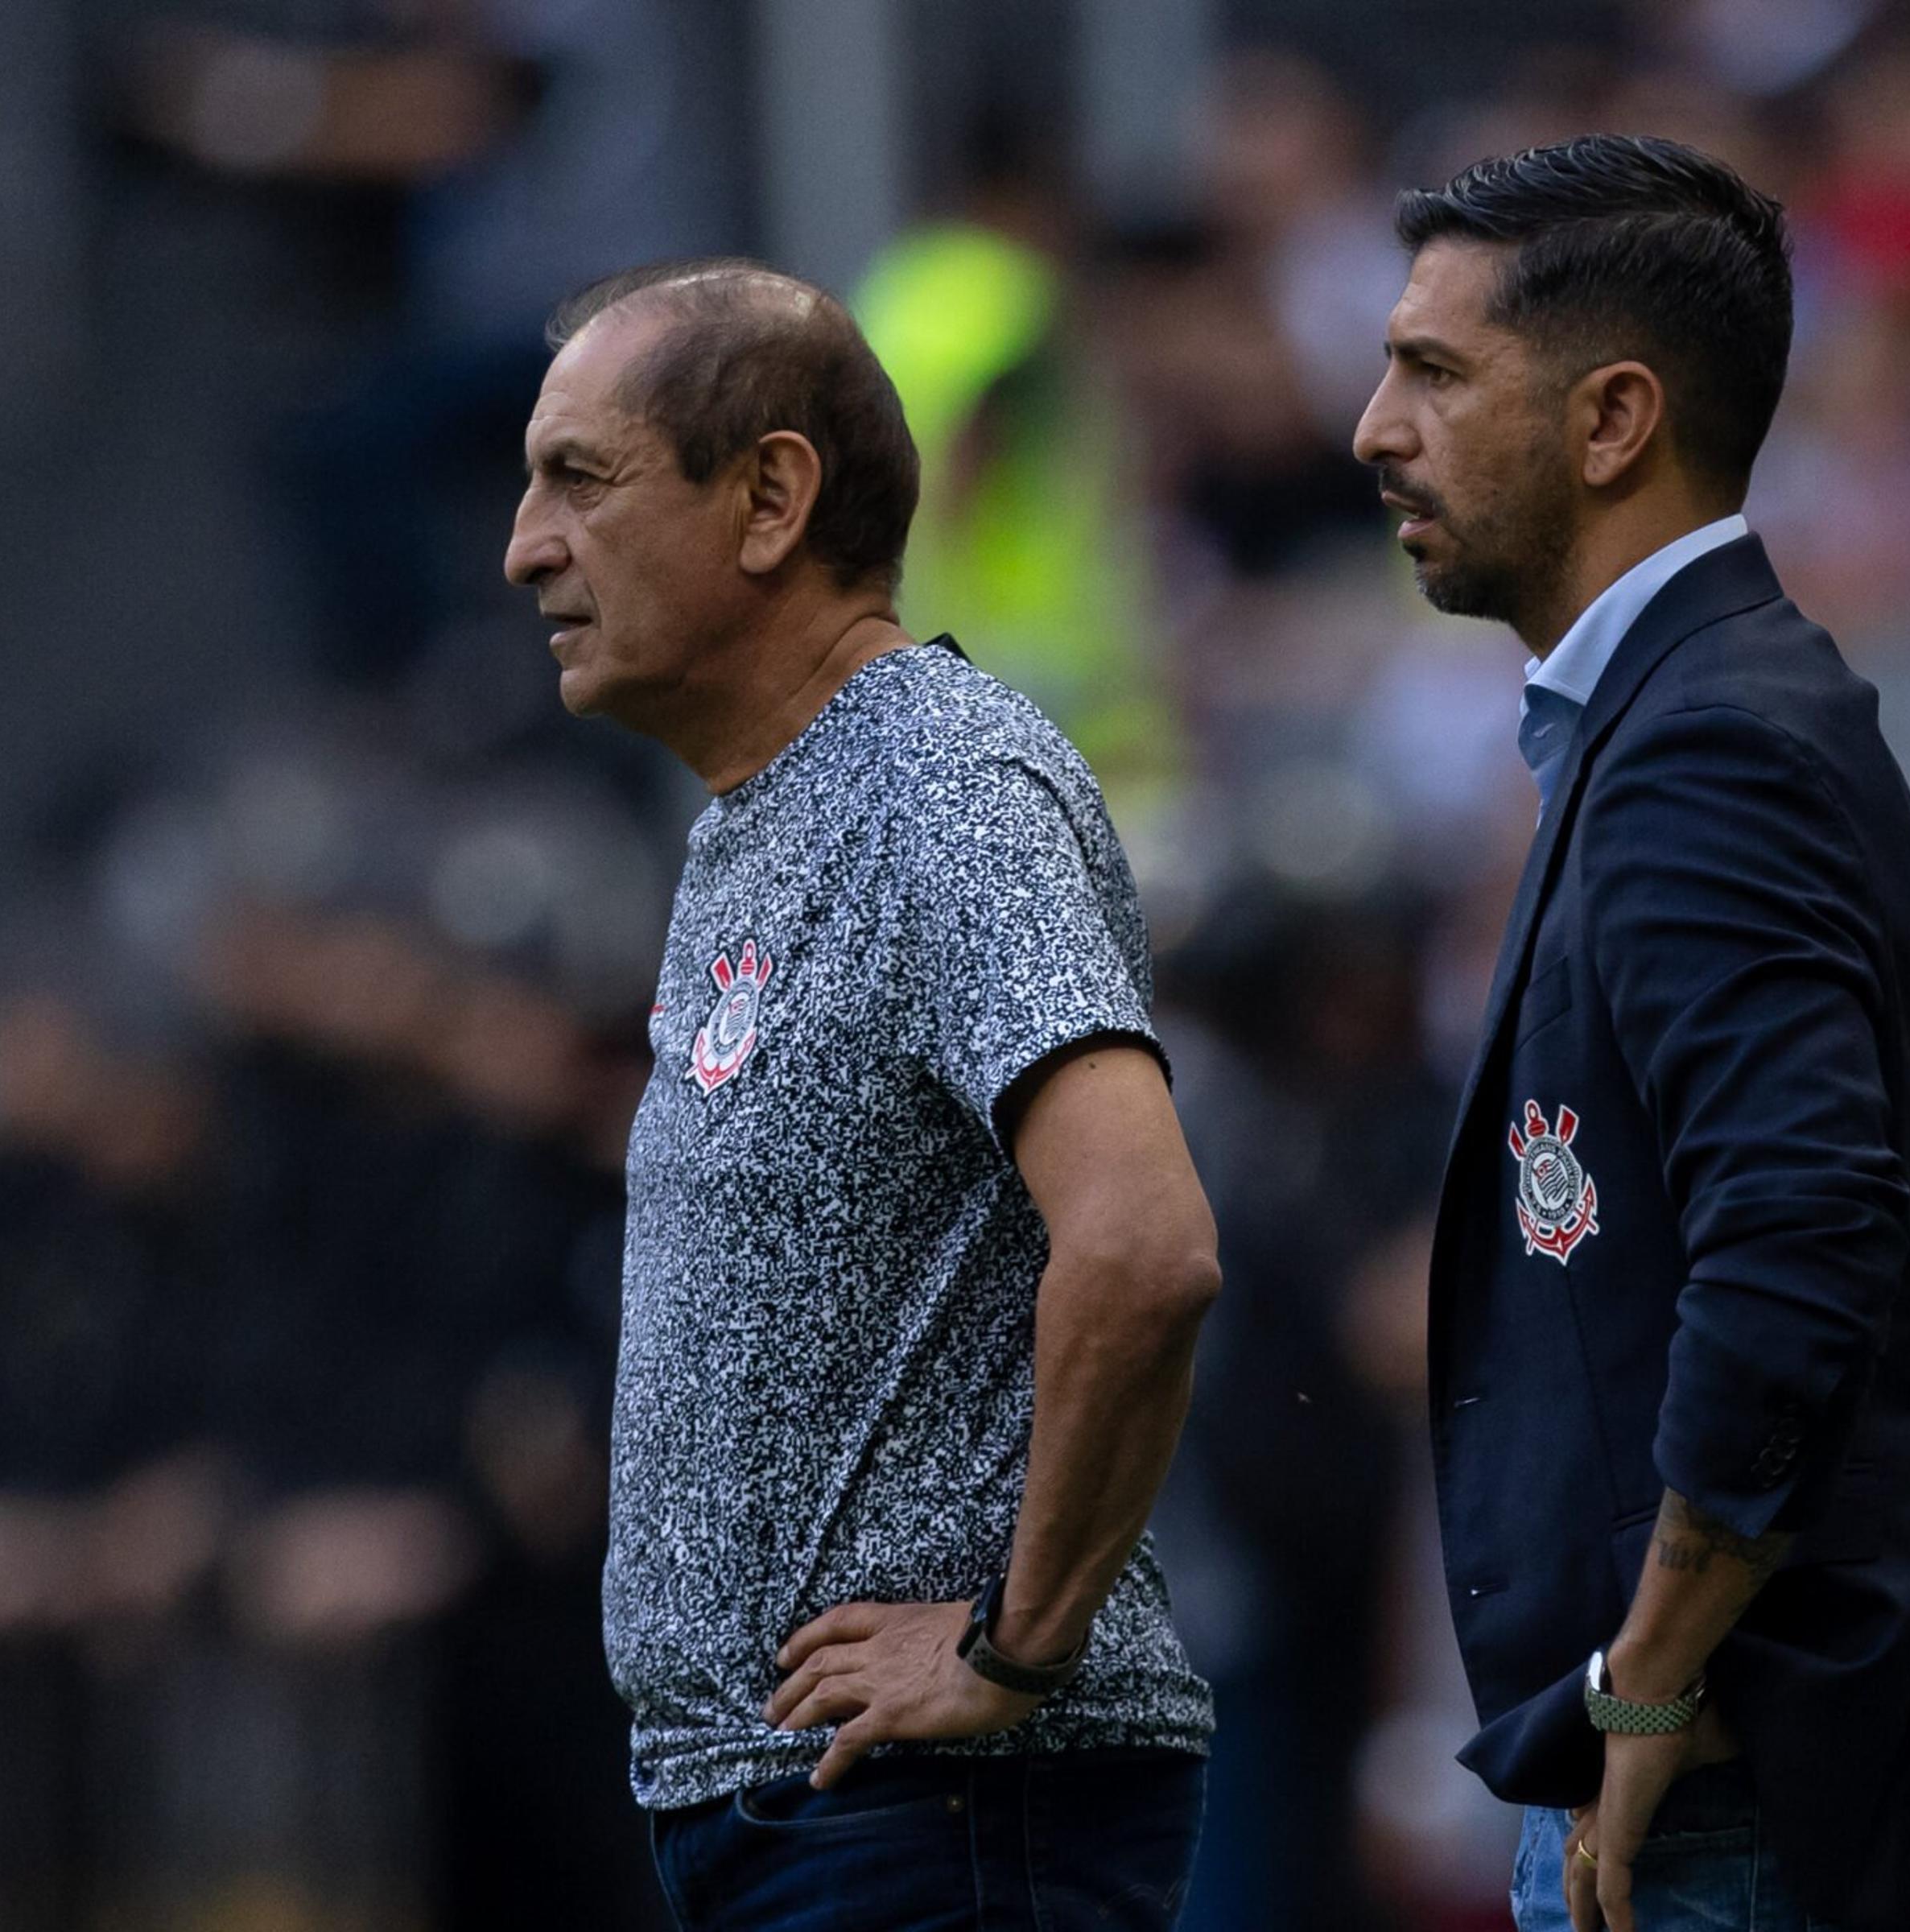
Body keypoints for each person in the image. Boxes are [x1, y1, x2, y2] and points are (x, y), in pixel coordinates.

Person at [1353, 134, 1910, 1932]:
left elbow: (1797, 1244)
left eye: (1434, 372)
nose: (1373, 427)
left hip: (1743, 1794)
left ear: (1612, 422)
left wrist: (1653, 1674)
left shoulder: (1710, 746)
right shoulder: (1678, 719)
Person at [503, 258, 1223, 1930]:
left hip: (943, 1820)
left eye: (580, 481)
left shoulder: (943, 789)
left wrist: (1013, 1644)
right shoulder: (766, 816)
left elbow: (1146, 1241)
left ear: (771, 499)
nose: (526, 546)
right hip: (807, 1813)